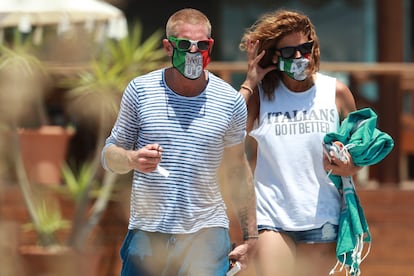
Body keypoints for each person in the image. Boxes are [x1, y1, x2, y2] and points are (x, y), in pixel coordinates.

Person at [101, 8, 257, 276]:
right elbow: (109, 155)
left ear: (211, 46)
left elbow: (237, 170)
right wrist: (132, 159)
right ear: (168, 47)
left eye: (202, 45)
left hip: (206, 234)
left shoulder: (230, 101)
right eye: (185, 44)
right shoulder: (140, 91)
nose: (194, 52)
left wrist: (250, 237)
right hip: (148, 232)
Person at [238, 9, 361, 276]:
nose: (298, 57)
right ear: (273, 56)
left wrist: (349, 167)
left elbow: (357, 158)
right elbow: (228, 129)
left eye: (305, 48)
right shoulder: (262, 96)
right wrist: (250, 80)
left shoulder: (337, 93)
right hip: (272, 215)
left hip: (322, 215)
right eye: (288, 52)